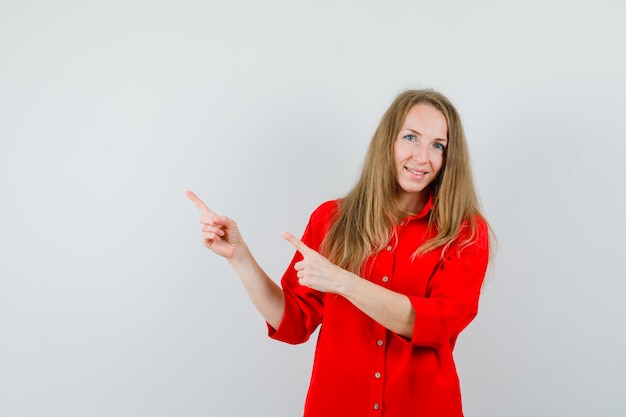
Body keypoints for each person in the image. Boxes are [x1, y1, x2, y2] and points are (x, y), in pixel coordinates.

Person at [186, 89, 493, 417]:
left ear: (449, 158)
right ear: (387, 141)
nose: (422, 157)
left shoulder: (465, 234)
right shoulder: (330, 220)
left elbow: (437, 323)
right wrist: (239, 257)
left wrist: (343, 282)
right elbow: (293, 322)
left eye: (437, 145)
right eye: (410, 137)